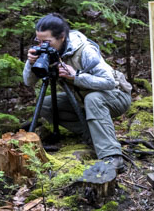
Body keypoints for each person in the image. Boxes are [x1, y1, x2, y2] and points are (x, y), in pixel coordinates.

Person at [23, 14, 132, 167]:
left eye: (46, 42)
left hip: (116, 95)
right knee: (46, 105)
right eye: (38, 41)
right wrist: (30, 62)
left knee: (93, 99)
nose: (42, 46)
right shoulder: (49, 52)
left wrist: (76, 76)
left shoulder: (84, 50)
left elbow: (109, 82)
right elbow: (28, 81)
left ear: (61, 37)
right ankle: (92, 133)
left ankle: (112, 156)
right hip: (82, 98)